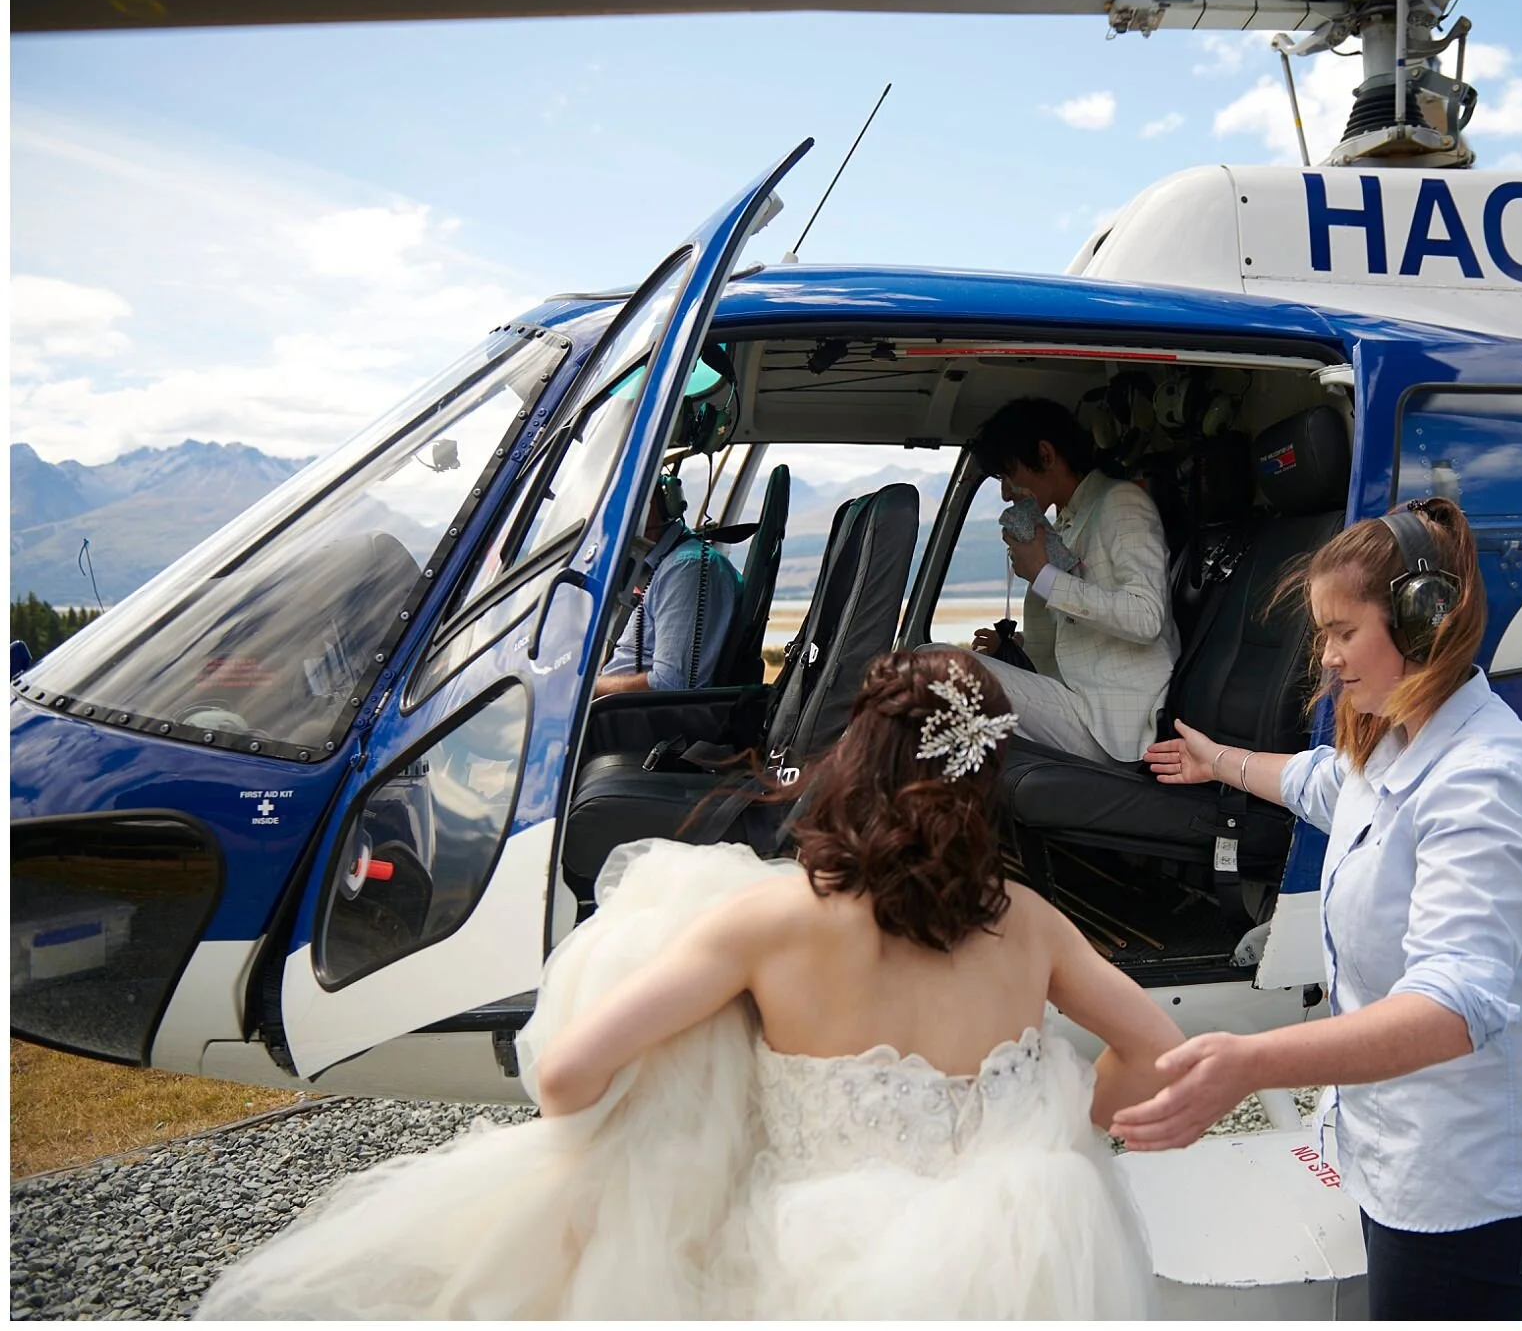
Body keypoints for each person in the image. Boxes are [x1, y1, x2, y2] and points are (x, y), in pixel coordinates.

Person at [198, 650, 1178, 1320]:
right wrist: (1065, 1130)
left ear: (856, 753)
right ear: (982, 773)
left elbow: (566, 1076)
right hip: (1004, 1272)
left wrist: (690, 1095)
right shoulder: (1029, 925)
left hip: (805, 1262)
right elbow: (1156, 1053)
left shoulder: (771, 921)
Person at [1116, 496, 1522, 1320]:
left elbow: (1453, 1007)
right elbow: (1319, 783)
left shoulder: (1486, 779)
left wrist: (1252, 1062)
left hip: (1470, 1192)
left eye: (1344, 632)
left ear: (1422, 621)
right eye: (1322, 635)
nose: (1327, 658)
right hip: (1401, 1161)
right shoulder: (1401, 741)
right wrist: (1215, 762)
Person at [962, 397, 1178, 764]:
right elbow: (1086, 631)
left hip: (1115, 725)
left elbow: (1145, 617)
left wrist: (1045, 576)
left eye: (1008, 474)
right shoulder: (1065, 523)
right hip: (1078, 701)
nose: (1005, 492)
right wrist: (1013, 645)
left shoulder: (1121, 503)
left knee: (937, 668)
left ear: (1045, 455)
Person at [593, 475, 739, 695]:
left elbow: (670, 684)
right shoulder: (665, 565)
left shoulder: (687, 569)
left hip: (631, 719)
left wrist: (584, 691)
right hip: (618, 711)